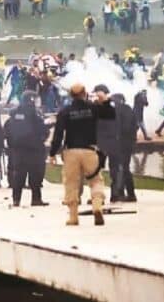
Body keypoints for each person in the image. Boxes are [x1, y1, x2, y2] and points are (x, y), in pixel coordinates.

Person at [49, 83, 115, 226]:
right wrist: (105, 100)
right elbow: (110, 115)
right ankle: (97, 206)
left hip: (71, 151)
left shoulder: (65, 111)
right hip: (90, 150)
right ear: (84, 93)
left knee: (71, 183)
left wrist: (52, 153)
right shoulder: (93, 108)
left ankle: (73, 217)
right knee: (96, 180)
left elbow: (58, 135)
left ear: (71, 95)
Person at [4, 91, 49, 206]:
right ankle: (36, 199)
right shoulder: (34, 115)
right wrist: (42, 138)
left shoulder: (13, 114)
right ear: (31, 100)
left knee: (18, 175)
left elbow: (7, 130)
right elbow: (43, 130)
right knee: (35, 175)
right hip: (34, 150)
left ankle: (16, 199)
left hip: (17, 151)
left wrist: (11, 145)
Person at [111, 94, 138, 203]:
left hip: (120, 143)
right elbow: (135, 126)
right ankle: (128, 194)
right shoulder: (129, 110)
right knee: (124, 168)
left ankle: (120, 194)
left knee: (119, 169)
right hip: (127, 143)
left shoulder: (117, 111)